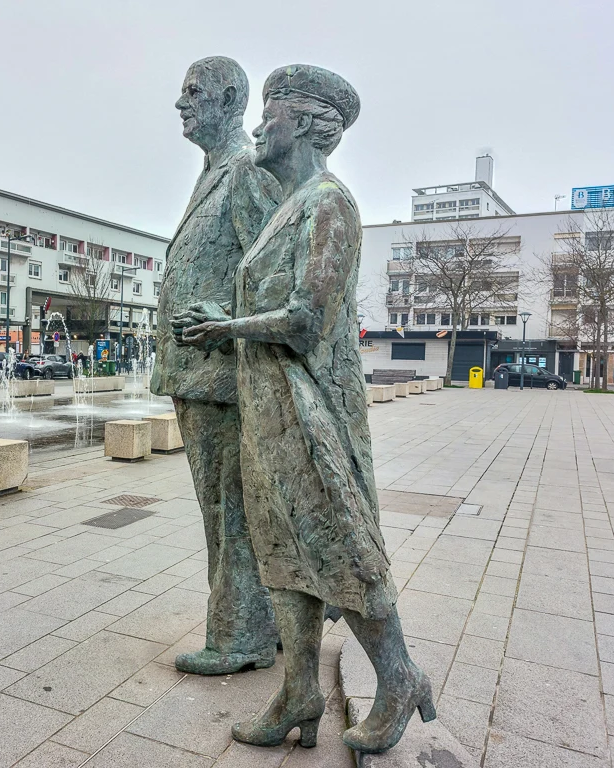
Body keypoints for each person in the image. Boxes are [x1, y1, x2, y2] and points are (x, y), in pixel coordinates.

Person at [182, 64, 434, 754]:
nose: (261, 126)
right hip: (268, 405)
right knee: (282, 551)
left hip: (309, 407)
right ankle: (298, 690)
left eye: (275, 113)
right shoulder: (289, 203)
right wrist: (225, 317)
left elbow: (309, 317)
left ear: (312, 124)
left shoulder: (330, 201)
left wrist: (224, 327)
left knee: (339, 546)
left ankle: (400, 674)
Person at [151, 56, 281, 675]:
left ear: (230, 101)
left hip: (222, 374)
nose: (181, 103)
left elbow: (274, 274)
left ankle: (240, 638)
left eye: (193, 92)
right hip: (201, 374)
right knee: (228, 510)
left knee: (229, 511)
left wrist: (222, 318)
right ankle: (263, 624)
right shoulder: (215, 172)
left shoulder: (245, 171)